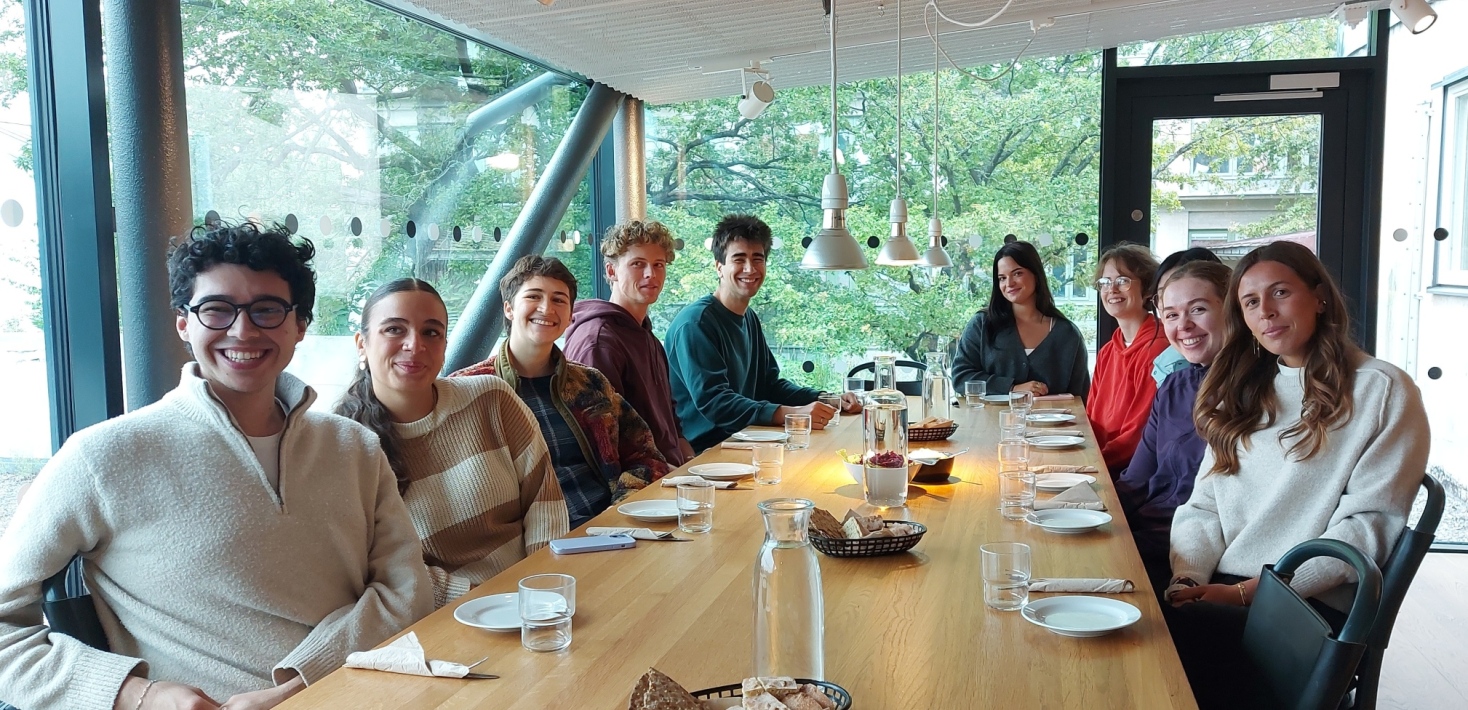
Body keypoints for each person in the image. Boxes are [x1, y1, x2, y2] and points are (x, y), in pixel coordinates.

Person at [0, 223, 431, 710]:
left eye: (267, 310)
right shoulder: (104, 457)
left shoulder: (354, 447)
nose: (243, 330)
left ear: (300, 325)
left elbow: (406, 589)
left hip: (371, 696)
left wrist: (299, 686)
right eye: (216, 309)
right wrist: (138, 694)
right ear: (184, 323)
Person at [1163, 242, 1429, 708]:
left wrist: (1246, 594)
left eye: (1280, 292)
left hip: (1308, 605)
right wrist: (1187, 579)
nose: (1265, 311)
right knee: (1131, 609)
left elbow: (1365, 531)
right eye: (1250, 302)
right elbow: (1203, 506)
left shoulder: (1381, 389)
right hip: (1224, 586)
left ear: (1320, 296)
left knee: (1148, 642)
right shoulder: (1242, 387)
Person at [336, 278, 570, 608]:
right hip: (441, 618)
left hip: (536, 599)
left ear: (445, 344)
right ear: (362, 343)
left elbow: (544, 501)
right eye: (394, 330)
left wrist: (542, 590)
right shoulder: (344, 447)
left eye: (431, 332)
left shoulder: (492, 398)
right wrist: (488, 603)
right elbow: (377, 567)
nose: (414, 345)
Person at [453, 256, 669, 529]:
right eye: (534, 296)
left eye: (558, 300)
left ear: (569, 316)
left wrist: (621, 508)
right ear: (509, 308)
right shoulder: (467, 390)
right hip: (528, 542)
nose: (546, 308)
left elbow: (645, 454)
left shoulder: (590, 384)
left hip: (610, 526)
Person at [664, 215, 861, 452]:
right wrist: (792, 414)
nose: (750, 268)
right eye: (739, 259)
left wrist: (826, 399)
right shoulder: (696, 323)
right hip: (706, 454)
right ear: (719, 267)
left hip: (746, 440)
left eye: (758, 259)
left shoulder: (748, 317)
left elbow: (770, 386)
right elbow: (716, 403)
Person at [1115, 259, 1231, 587]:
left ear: (1232, 309)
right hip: (1145, 534)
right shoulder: (1175, 385)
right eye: (1171, 315)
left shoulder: (1257, 393)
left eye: (1197, 309)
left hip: (1193, 556)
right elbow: (1135, 480)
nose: (1184, 326)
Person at [564, 220, 693, 466]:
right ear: (611, 272)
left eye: (659, 265)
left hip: (669, 474)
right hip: (636, 487)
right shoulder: (599, 341)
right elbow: (601, 440)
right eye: (638, 264)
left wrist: (690, 465)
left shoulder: (648, 337)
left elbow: (671, 426)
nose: (650, 274)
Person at [952, 240, 1090, 399]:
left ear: (1036, 275)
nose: (1009, 283)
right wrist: (1012, 388)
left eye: (1017, 273)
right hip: (990, 422)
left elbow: (1082, 397)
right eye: (1002, 278)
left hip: (1050, 422)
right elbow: (961, 377)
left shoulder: (1067, 334)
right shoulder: (982, 324)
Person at [1087, 242, 1170, 474]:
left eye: (1122, 281)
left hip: (1127, 472)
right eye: (1105, 282)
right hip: (1100, 462)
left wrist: (1090, 465)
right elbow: (1091, 419)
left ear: (1146, 289)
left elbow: (1138, 436)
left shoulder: (1158, 349)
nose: (1111, 290)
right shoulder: (1108, 351)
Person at [1149, 248, 1224, 387]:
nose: (1183, 325)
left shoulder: (1263, 382)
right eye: (1163, 294)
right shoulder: (1170, 384)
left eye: (1198, 309)